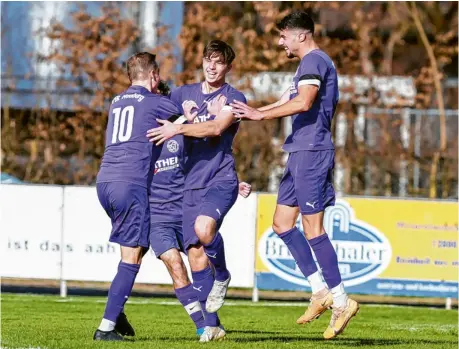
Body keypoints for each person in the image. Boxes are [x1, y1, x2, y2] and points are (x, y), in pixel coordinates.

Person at [230, 11, 359, 339]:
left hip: (313, 152)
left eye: (283, 35)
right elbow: (288, 99)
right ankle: (319, 291)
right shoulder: (308, 65)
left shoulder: (314, 61)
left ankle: (342, 301)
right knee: (282, 224)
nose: (279, 42)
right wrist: (255, 112)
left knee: (312, 227)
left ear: (300, 35)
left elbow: (303, 102)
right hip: (299, 152)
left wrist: (260, 114)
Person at [147, 40, 247, 341]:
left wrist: (181, 126)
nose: (211, 66)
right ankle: (211, 325)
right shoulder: (182, 94)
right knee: (195, 255)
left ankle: (224, 275)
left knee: (205, 231)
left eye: (218, 62)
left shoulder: (233, 97)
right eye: (207, 60)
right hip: (189, 187)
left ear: (228, 67)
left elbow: (215, 129)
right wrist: (180, 118)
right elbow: (159, 116)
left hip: (220, 178)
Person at [94, 52, 181, 341]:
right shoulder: (155, 101)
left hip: (105, 181)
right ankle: (105, 329)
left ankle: (116, 312)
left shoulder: (117, 101)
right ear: (154, 75)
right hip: (129, 184)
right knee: (131, 257)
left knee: (137, 246)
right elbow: (187, 113)